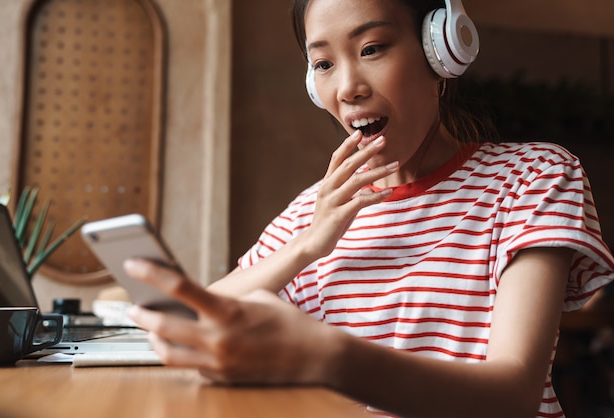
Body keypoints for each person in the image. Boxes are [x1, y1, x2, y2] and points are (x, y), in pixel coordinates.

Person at [124, 0, 614, 417]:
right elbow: (189, 323)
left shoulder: (534, 176)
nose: (348, 87)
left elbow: (513, 395)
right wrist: (308, 247)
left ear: (440, 50)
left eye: (372, 49)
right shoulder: (310, 216)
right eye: (324, 64)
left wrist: (330, 359)